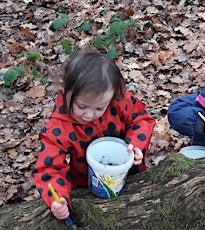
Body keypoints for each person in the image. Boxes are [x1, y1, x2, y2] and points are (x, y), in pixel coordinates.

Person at [33, 50, 156, 221]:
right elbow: (49, 167)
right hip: (87, 187)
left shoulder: (119, 102)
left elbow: (142, 119)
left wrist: (135, 144)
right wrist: (58, 198)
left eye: (99, 108)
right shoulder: (59, 127)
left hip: (130, 176)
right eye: (82, 106)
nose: (89, 115)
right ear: (64, 88)